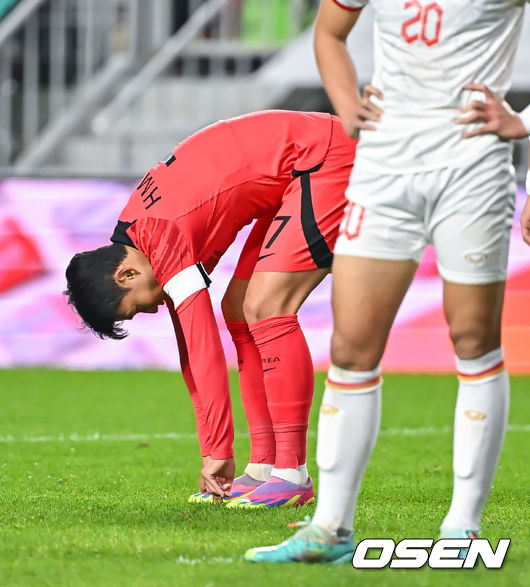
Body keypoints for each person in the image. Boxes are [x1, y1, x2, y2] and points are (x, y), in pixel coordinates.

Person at [245, 0, 530, 562]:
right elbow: (329, 33)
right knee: (350, 346)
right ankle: (329, 528)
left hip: (471, 171)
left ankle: (462, 526)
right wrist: (348, 105)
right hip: (383, 175)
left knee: (473, 340)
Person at [65, 110, 357, 507]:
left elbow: (204, 351)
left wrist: (216, 451)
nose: (151, 313)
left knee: (267, 306)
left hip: (324, 159)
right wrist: (213, 446)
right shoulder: (142, 233)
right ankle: (265, 468)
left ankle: (293, 474)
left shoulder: (161, 237)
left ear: (125, 275)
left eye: (135, 309)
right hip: (300, 167)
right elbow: (191, 351)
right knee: (238, 308)